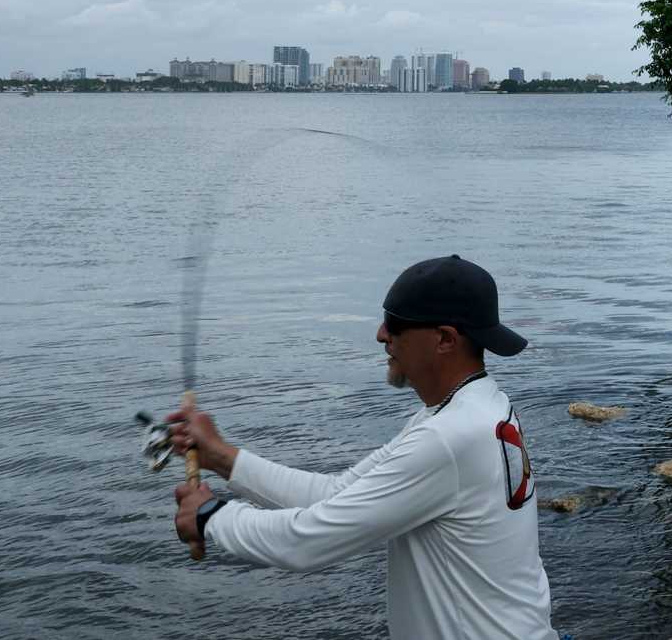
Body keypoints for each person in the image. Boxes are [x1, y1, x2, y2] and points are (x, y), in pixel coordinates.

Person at [168, 255, 557, 640]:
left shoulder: (450, 437)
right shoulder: (474, 409)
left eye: (396, 324)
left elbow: (306, 542)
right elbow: (336, 495)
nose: (381, 335)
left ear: (444, 339)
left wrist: (210, 516)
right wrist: (219, 455)